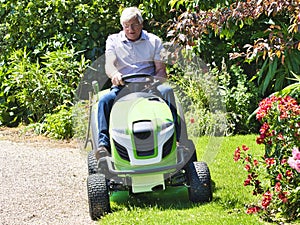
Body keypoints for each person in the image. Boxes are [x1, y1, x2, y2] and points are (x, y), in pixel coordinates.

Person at [95, 7, 178, 160]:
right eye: (126, 26)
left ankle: (178, 140)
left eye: (133, 25)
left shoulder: (154, 41)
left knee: (167, 91)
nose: (130, 29)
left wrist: (154, 81)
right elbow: (109, 64)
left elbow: (160, 70)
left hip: (149, 86)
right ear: (122, 26)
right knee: (104, 101)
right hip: (123, 86)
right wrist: (114, 74)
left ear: (141, 24)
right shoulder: (113, 40)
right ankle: (103, 145)